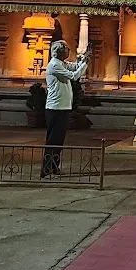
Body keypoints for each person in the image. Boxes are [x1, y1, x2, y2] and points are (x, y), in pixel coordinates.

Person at [41, 40, 88, 178]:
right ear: (59, 51)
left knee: (59, 140)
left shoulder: (62, 63)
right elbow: (74, 76)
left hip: (62, 107)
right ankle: (46, 169)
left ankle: (54, 167)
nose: (69, 50)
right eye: (66, 48)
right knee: (53, 140)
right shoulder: (54, 65)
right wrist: (85, 64)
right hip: (55, 108)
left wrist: (83, 60)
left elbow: (74, 67)